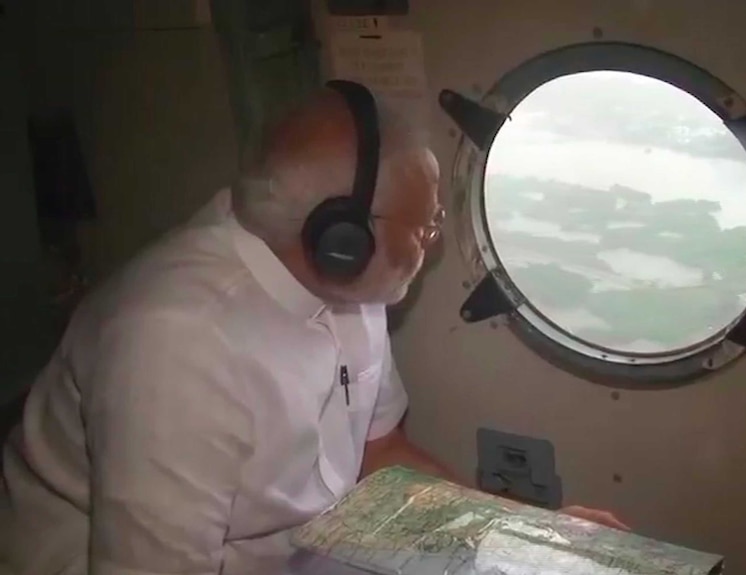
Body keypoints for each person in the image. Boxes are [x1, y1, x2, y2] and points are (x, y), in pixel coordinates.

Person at [0, 83, 626, 575]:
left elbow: (378, 457)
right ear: (342, 241)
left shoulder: (352, 283)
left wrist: (532, 532)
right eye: (426, 228)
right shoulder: (174, 348)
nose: (434, 246)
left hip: (297, 548)